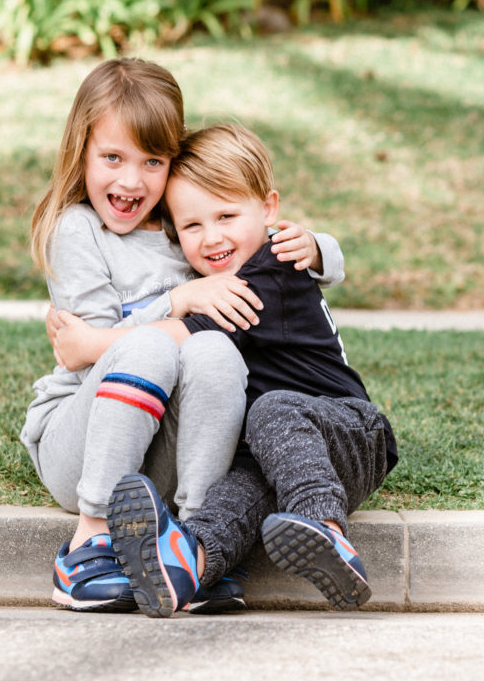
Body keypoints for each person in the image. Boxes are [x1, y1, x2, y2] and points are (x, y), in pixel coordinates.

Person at [21, 58, 345, 612]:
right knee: (153, 343)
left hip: (164, 450)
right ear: (81, 152)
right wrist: (178, 299)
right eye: (113, 158)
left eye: (153, 161)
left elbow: (260, 239)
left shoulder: (185, 222)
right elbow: (88, 353)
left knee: (213, 350)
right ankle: (89, 539)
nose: (131, 181)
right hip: (83, 442)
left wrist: (318, 247)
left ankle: (192, 545)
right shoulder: (79, 230)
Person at [85, 121, 397, 617]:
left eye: (227, 215)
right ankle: (185, 567)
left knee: (271, 410)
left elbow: (179, 334)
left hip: (350, 433)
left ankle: (328, 534)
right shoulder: (224, 273)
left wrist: (91, 342)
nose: (212, 238)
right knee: (232, 499)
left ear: (269, 209)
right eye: (192, 226)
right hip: (272, 455)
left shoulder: (271, 267)